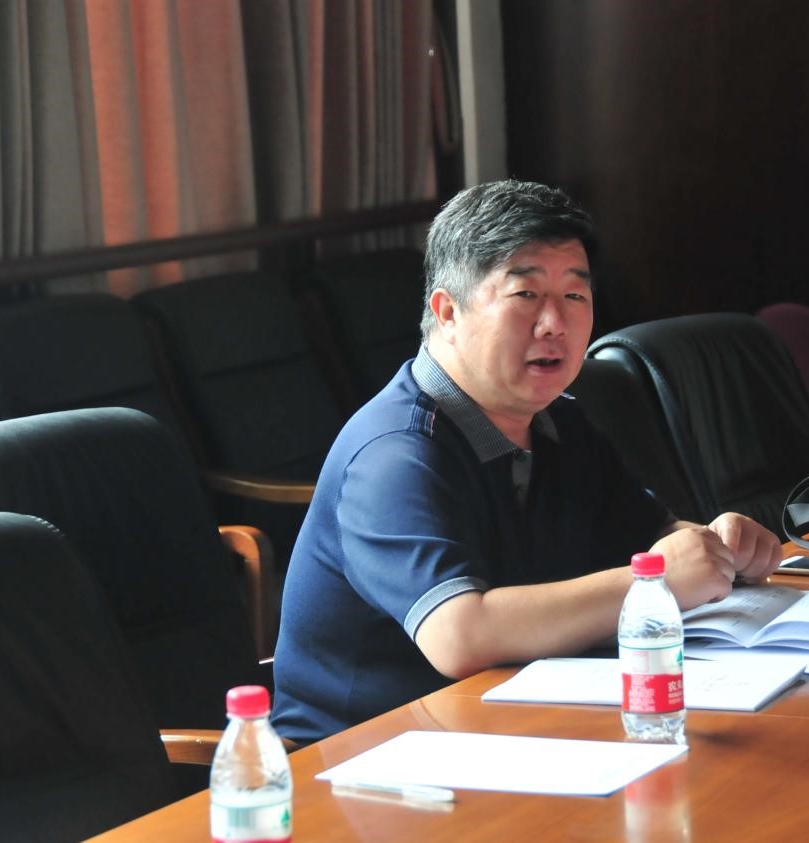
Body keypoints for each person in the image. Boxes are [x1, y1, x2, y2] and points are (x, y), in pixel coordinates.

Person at [271, 179, 781, 743]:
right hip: (367, 757)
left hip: (517, 724)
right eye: (526, 294)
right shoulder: (394, 453)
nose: (554, 323)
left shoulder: (559, 422)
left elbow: (651, 536)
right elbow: (459, 636)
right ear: (448, 311)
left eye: (575, 296)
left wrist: (716, 545)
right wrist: (656, 585)